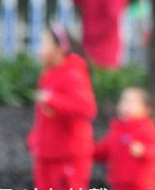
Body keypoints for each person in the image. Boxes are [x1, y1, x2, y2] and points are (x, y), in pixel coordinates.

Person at [26, 24, 97, 190]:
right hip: (47, 157)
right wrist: (36, 137)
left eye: (44, 44)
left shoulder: (73, 74)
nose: (39, 50)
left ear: (60, 48)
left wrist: (52, 100)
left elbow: (87, 109)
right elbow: (48, 115)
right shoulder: (49, 74)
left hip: (68, 159)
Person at [93, 87, 155, 190]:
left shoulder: (147, 129)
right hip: (118, 184)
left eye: (131, 102)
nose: (126, 105)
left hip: (141, 186)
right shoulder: (116, 128)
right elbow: (104, 150)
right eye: (123, 101)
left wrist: (144, 151)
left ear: (146, 109)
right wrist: (87, 149)